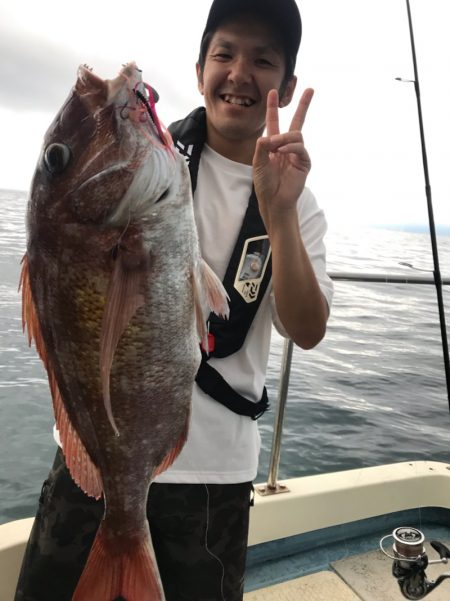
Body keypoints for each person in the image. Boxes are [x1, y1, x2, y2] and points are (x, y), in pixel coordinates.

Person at [15, 0, 334, 600]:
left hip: (213, 473)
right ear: (198, 70)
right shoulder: (152, 157)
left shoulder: (298, 202)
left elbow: (307, 329)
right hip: (93, 456)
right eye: (224, 54)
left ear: (286, 87)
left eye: (262, 60)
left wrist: (282, 214)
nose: (240, 73)